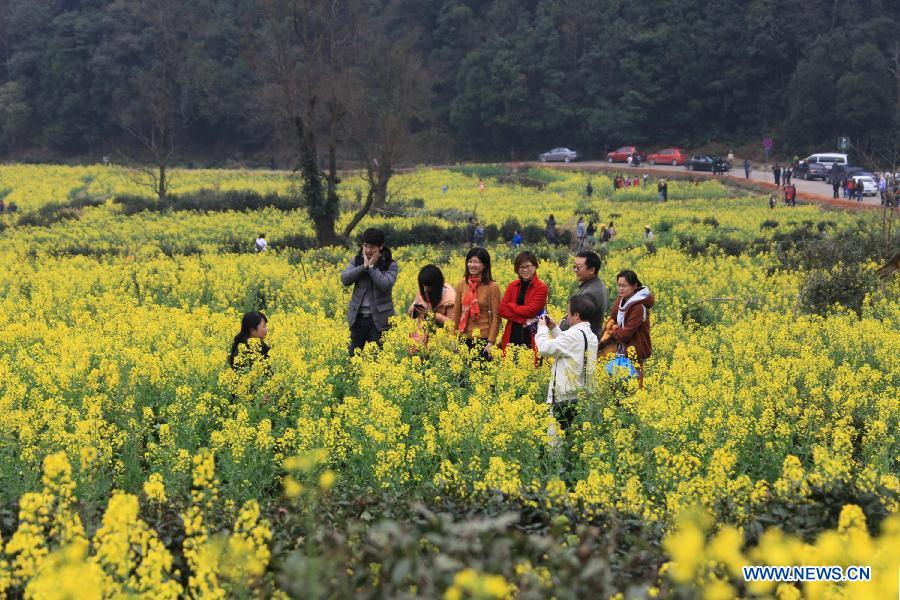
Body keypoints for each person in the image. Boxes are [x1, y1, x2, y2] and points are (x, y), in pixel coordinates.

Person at [536, 294, 599, 439]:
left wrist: (543, 329)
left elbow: (545, 348)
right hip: (580, 395)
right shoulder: (590, 335)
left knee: (556, 443)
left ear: (576, 315)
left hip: (563, 396)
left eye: (568, 312)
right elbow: (570, 348)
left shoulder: (572, 336)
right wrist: (554, 329)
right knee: (573, 439)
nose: (566, 316)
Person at [341, 228, 398, 355]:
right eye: (365, 246)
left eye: (372, 247)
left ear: (380, 247)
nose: (367, 250)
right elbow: (345, 279)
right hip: (357, 320)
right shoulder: (357, 260)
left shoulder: (390, 265)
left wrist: (371, 268)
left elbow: (385, 284)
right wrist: (363, 267)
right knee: (353, 360)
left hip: (378, 322)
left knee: (378, 362)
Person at [450, 247, 501, 358]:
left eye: (476, 262)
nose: (472, 265)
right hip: (463, 337)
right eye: (470, 261)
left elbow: (497, 317)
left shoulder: (492, 287)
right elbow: (456, 313)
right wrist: (453, 337)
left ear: (484, 265)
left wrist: (491, 342)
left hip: (484, 339)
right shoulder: (462, 284)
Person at [608, 270, 654, 387]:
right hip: (619, 352)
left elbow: (625, 335)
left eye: (624, 286)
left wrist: (614, 329)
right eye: (619, 285)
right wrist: (613, 326)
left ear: (634, 286)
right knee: (617, 389)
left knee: (633, 391)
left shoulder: (638, 307)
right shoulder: (621, 300)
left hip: (635, 352)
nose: (620, 289)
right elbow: (611, 320)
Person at [499, 251, 548, 355]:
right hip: (512, 334)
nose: (525, 270)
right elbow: (502, 310)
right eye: (521, 267)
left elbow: (530, 311)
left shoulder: (541, 288)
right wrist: (523, 320)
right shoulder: (512, 286)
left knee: (531, 366)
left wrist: (511, 306)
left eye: (528, 266)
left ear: (535, 266)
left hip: (532, 334)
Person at [555, 250, 607, 336]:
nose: (575, 270)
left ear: (591, 270)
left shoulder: (590, 293)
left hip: (581, 341)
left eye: (578, 268)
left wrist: (559, 326)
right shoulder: (595, 284)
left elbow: (576, 320)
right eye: (574, 266)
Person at [408, 264, 456, 349]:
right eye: (423, 286)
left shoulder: (450, 300)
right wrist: (413, 309)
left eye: (428, 286)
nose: (425, 289)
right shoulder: (423, 290)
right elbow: (410, 315)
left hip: (441, 344)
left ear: (437, 285)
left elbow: (452, 324)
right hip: (421, 340)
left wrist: (432, 315)